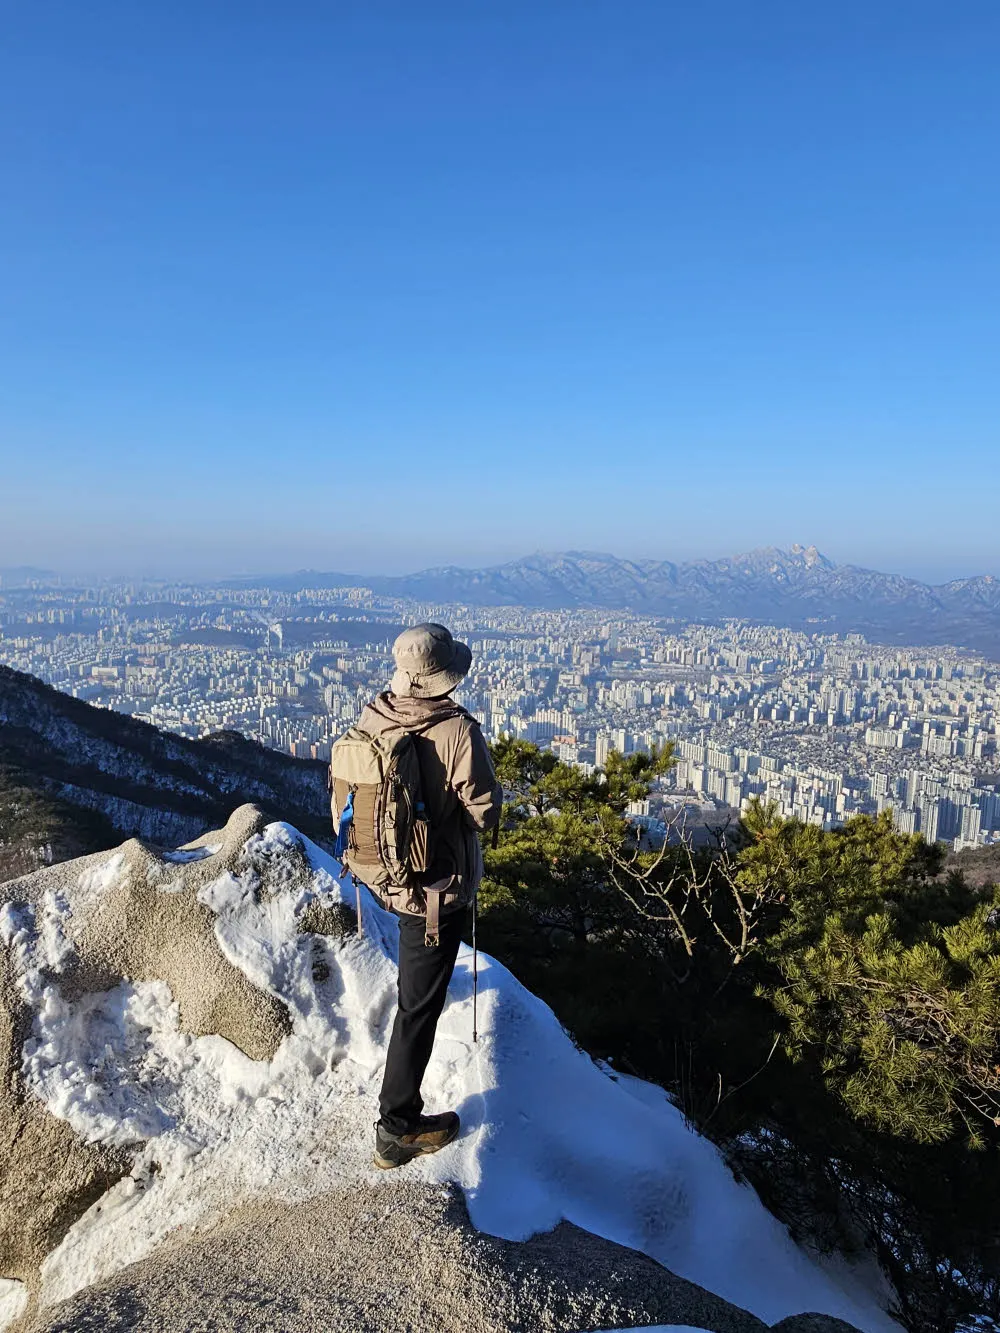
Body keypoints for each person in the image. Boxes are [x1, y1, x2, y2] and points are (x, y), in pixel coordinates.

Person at [357, 623, 502, 1170]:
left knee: (415, 997)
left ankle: (399, 1116)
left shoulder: (376, 712)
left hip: (386, 876)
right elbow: (484, 812)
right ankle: (396, 1127)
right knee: (417, 1008)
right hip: (436, 890)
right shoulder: (457, 731)